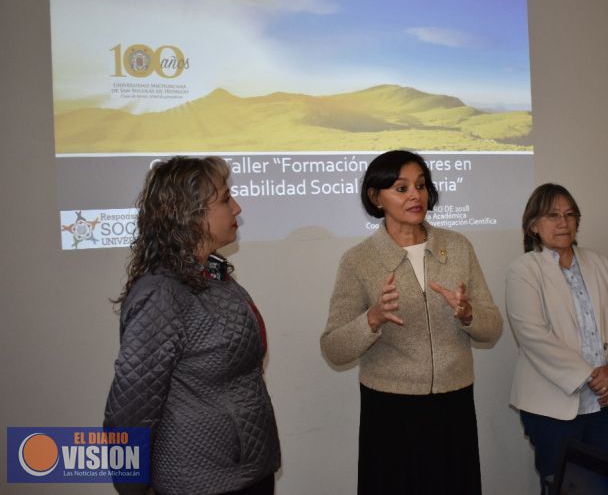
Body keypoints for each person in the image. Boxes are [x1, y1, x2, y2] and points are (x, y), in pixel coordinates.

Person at [320, 150, 502, 495]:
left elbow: (492, 327)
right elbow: (333, 347)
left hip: (454, 403)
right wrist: (371, 320)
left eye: (420, 185)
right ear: (376, 197)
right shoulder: (358, 261)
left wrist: (468, 314)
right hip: (391, 410)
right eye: (401, 188)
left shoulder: (458, 248)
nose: (415, 195)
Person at [104, 156, 281, 494]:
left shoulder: (214, 276)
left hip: (249, 472)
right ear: (191, 212)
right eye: (226, 198)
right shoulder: (160, 294)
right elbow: (131, 410)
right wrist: (132, 488)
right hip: (198, 481)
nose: (238, 208)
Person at [505, 183, 608, 494]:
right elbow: (534, 336)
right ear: (533, 225)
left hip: (607, 402)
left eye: (569, 214)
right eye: (552, 215)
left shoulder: (600, 262)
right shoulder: (524, 270)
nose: (563, 222)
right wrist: (594, 376)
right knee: (566, 487)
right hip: (553, 406)